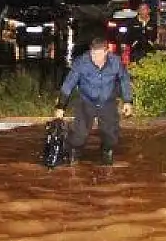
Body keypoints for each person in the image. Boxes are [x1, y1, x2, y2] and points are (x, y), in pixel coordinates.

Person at [54, 38, 134, 166]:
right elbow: (68, 84)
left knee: (111, 135)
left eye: (99, 53)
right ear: (90, 51)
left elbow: (124, 80)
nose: (96, 57)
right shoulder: (81, 62)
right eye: (93, 53)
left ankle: (106, 150)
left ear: (106, 51)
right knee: (79, 136)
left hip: (107, 101)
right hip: (86, 101)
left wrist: (128, 101)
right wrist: (60, 106)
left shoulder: (116, 62)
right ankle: (74, 150)